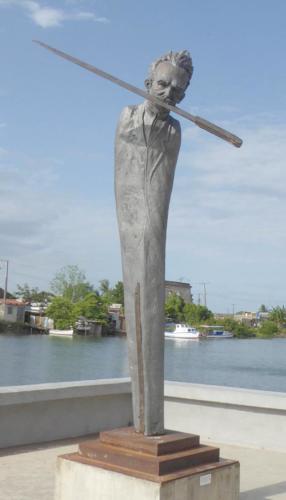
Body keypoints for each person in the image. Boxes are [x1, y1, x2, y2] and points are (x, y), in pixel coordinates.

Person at [115, 51, 193, 435]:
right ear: (148, 84)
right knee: (138, 262)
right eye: (162, 84)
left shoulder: (175, 130)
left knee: (151, 256)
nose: (168, 92)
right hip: (131, 212)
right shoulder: (128, 116)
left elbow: (160, 176)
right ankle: (145, 420)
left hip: (154, 213)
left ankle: (151, 422)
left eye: (177, 89)